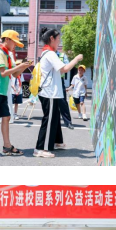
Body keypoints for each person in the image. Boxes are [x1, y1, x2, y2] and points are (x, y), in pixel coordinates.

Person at [34, 27, 83, 158]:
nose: (59, 42)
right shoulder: (49, 54)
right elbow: (65, 69)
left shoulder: (48, 53)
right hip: (48, 92)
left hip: (51, 92)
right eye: (58, 39)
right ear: (51, 39)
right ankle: (40, 148)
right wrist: (76, 59)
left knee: (54, 118)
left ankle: (56, 142)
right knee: (49, 120)